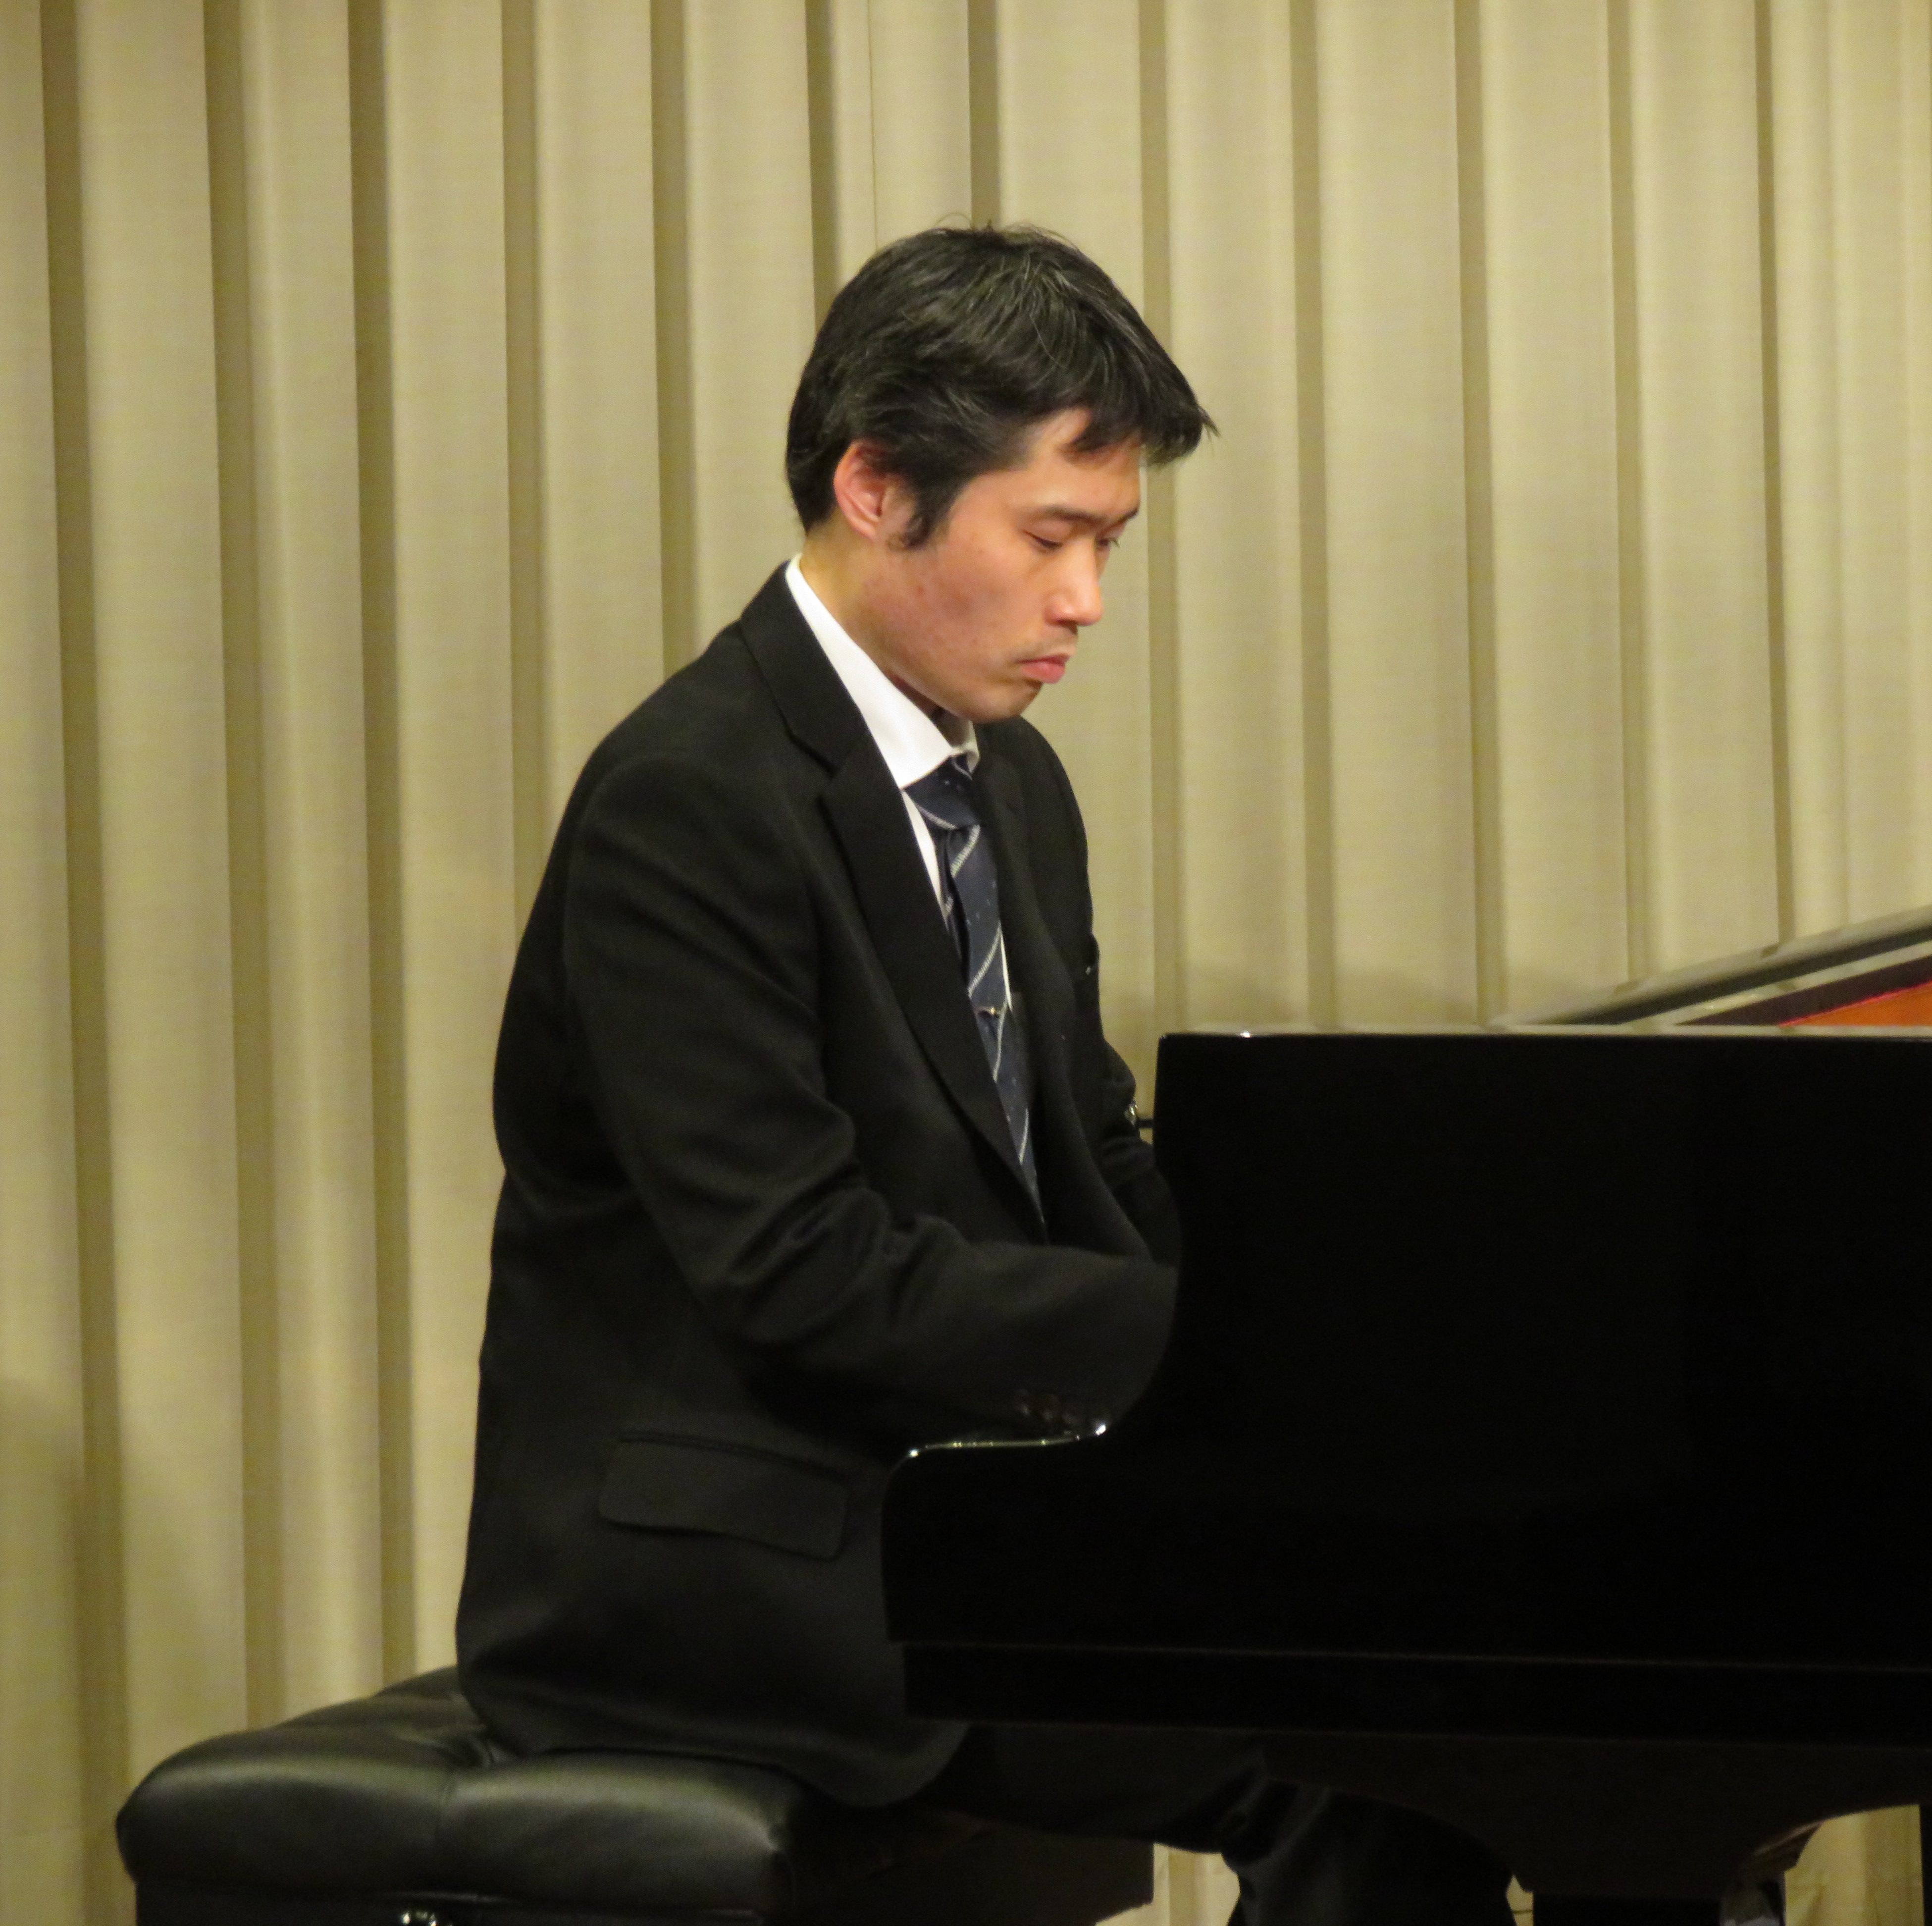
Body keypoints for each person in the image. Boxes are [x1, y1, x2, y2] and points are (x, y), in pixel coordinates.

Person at [454, 225, 1515, 1924]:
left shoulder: (1005, 782)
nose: (1085, 600)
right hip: (733, 1567)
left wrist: (1315, 1331)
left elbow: (1089, 1147)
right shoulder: (690, 799)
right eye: (1051, 537)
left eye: (1108, 545)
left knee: (1448, 1679)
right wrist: (1223, 1354)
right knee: (1354, 1743)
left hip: (948, 1500)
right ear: (878, 486)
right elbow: (800, 1270)